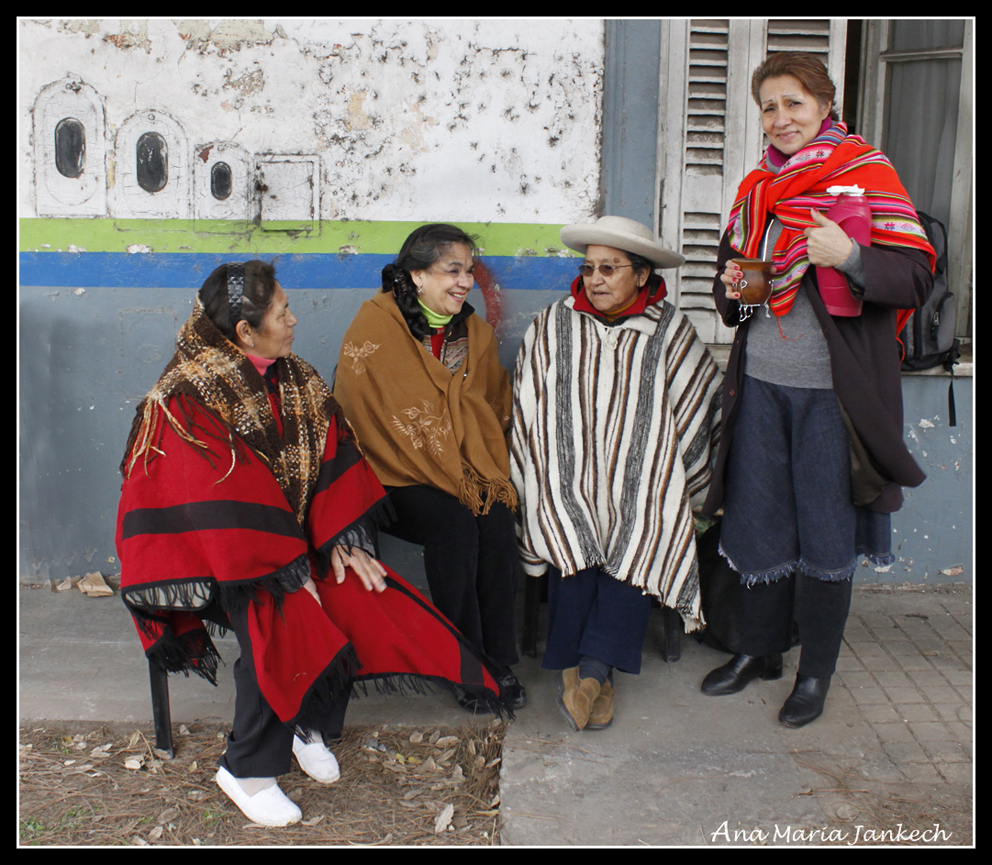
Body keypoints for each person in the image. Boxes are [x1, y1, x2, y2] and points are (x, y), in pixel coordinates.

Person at [116, 260, 508, 828]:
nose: (295, 319)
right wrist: (292, 569)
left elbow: (333, 458)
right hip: (198, 553)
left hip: (280, 543)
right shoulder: (184, 397)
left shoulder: (295, 377)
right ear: (246, 332)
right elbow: (220, 501)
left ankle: (309, 723)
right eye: (281, 312)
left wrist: (341, 539)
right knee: (282, 613)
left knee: (355, 587)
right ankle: (246, 769)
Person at [699, 53, 936, 728]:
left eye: (794, 103)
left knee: (827, 533)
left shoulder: (866, 175)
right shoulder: (757, 191)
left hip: (835, 398)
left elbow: (916, 277)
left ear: (825, 106)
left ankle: (814, 674)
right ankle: (757, 649)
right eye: (769, 106)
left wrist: (852, 259)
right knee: (758, 518)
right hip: (763, 386)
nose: (781, 119)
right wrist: (736, 289)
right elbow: (741, 286)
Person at [510, 215, 723, 732]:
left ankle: (587, 673)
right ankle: (594, 677)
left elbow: (699, 406)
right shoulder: (552, 324)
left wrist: (674, 475)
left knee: (643, 528)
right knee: (567, 523)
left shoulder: (670, 329)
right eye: (589, 268)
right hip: (564, 471)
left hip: (644, 473)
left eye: (611, 268)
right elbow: (527, 407)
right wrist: (547, 473)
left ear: (643, 275)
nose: (596, 279)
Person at [333, 225, 526, 710]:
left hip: (460, 468)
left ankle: (496, 659)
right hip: (389, 474)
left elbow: (489, 406)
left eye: (468, 272)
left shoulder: (472, 333)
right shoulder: (375, 325)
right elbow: (365, 416)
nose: (464, 283)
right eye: (451, 271)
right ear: (417, 275)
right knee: (454, 525)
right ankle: (462, 663)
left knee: (498, 518)